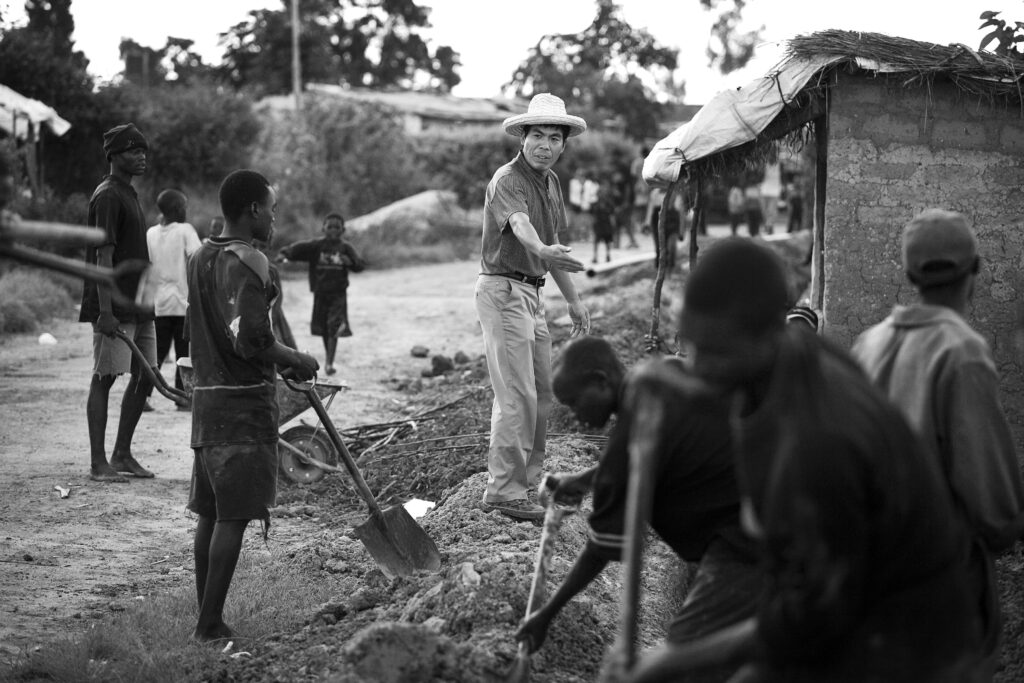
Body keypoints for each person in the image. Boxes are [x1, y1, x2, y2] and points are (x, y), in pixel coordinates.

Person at [631, 238, 985, 682]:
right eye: (690, 345)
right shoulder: (792, 354)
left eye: (714, 351)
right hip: (854, 610)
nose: (696, 366)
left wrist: (674, 660)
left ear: (762, 334)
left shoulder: (816, 444)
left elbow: (811, 617)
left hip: (908, 645)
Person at [515, 336, 761, 683]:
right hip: (763, 506)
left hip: (741, 544)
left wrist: (545, 614)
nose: (576, 416)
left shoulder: (623, 449)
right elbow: (643, 455)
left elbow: (598, 553)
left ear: (602, 380)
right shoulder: (660, 376)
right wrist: (585, 479)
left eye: (574, 402)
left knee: (680, 662)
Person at [851, 209, 1024, 679]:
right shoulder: (961, 351)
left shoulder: (869, 344)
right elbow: (996, 509)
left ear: (910, 276)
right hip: (938, 600)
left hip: (870, 587)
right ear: (977, 271)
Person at [185, 169, 319, 642]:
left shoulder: (200, 256)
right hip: (242, 408)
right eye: (273, 209)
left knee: (212, 511)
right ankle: (208, 625)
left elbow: (219, 332)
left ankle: (208, 617)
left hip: (206, 401)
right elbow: (254, 341)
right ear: (254, 210)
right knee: (234, 516)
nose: (275, 218)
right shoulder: (251, 263)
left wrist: (276, 357)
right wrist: (296, 357)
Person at [475, 92, 591, 521]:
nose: (544, 144)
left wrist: (575, 302)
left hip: (532, 293)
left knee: (542, 393)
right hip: (502, 291)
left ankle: (526, 485)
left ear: (564, 144)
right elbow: (523, 228)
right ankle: (503, 491)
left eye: (553, 138)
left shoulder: (551, 182)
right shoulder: (508, 179)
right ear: (522, 138)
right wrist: (541, 247)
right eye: (536, 135)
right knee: (516, 393)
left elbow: (552, 253)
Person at [79, 123, 158, 483]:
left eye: (143, 150)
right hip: (115, 308)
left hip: (139, 304)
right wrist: (105, 312)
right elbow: (103, 258)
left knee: (147, 376)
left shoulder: (128, 192)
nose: (141, 156)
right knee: (105, 378)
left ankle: (122, 453)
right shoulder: (108, 195)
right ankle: (99, 463)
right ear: (114, 155)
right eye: (133, 150)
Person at [277, 212, 365, 376]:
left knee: (334, 326)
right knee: (325, 327)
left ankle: (329, 363)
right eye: (330, 226)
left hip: (338, 295)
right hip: (320, 294)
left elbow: (360, 265)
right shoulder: (316, 246)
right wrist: (284, 253)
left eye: (337, 227)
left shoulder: (346, 248)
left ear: (343, 230)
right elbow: (298, 249)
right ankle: (328, 358)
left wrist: (350, 262)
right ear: (323, 228)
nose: (333, 230)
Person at [144, 188, 202, 407]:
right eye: (184, 206)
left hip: (158, 304)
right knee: (183, 352)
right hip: (182, 302)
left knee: (155, 354)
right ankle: (182, 397)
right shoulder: (185, 231)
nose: (186, 210)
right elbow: (198, 259)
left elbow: (147, 268)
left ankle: (144, 396)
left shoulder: (150, 234)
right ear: (177, 209)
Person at [590, 179, 616, 264]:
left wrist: (612, 224)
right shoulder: (596, 204)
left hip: (606, 223)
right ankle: (596, 256)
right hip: (599, 224)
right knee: (597, 241)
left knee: (607, 241)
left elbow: (612, 214)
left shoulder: (608, 203)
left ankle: (607, 255)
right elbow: (593, 215)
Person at [630, 146, 650, 236]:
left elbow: (633, 176)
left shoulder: (636, 162)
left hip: (638, 186)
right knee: (646, 208)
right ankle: (643, 226)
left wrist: (634, 187)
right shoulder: (650, 161)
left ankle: (639, 226)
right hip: (647, 186)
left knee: (639, 208)